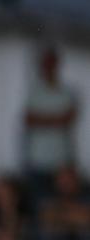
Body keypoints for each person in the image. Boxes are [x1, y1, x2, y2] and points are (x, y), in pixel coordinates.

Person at [23, 47, 79, 215]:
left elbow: (69, 118)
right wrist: (56, 119)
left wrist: (44, 119)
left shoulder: (67, 92)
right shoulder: (35, 92)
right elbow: (29, 120)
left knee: (65, 207)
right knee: (41, 208)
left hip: (62, 162)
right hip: (38, 161)